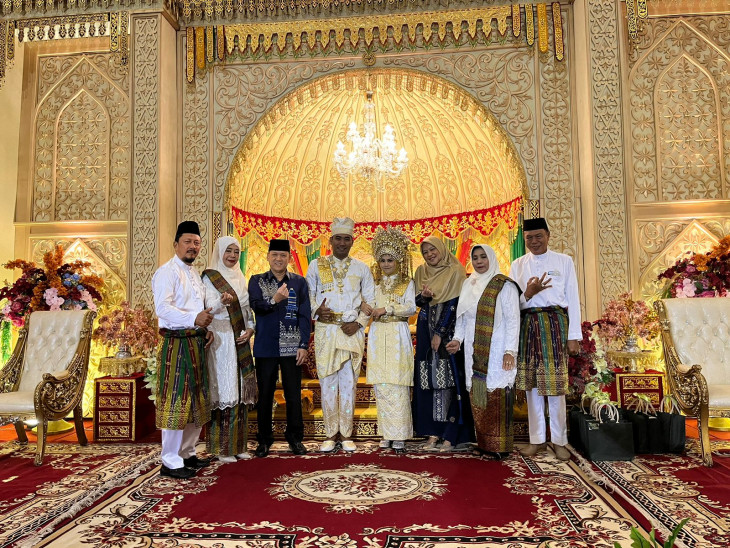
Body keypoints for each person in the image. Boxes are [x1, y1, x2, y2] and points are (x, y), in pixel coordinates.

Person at [508, 217, 581, 462]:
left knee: (556, 386)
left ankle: (560, 441)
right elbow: (512, 304)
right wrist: (528, 294)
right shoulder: (518, 265)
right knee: (533, 387)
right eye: (529, 238)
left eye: (539, 236)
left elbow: (573, 299)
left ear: (548, 236)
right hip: (528, 324)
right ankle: (537, 440)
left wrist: (573, 336)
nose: (534, 241)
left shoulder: (564, 261)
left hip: (555, 324)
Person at [306, 217, 375, 453]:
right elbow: (308, 295)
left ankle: (346, 434)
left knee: (348, 383)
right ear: (331, 240)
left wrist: (359, 323)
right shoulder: (316, 265)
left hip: (351, 332)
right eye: (338, 238)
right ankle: (329, 434)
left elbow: (371, 300)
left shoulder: (362, 268)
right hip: (326, 331)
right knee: (327, 383)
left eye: (346, 239)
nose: (342, 243)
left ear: (352, 241)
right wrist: (317, 310)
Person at [446, 244, 521, 459]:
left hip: (497, 347)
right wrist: (457, 340)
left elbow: (513, 320)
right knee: (478, 395)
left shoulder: (504, 285)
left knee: (496, 394)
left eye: (483, 257)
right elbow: (462, 318)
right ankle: (485, 443)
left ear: (491, 258)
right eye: (475, 257)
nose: (479, 261)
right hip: (473, 348)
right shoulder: (468, 284)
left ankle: (500, 446)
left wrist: (510, 351)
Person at [152, 220, 213, 479]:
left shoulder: (194, 274)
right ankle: (170, 460)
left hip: (195, 342)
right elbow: (163, 309)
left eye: (196, 243)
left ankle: (187, 453)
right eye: (187, 242)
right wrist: (193, 319)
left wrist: (204, 328)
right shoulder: (167, 272)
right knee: (176, 400)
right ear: (176, 244)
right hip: (176, 343)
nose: (192, 247)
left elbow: (198, 310)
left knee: (195, 401)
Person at [248, 239, 311, 457]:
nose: (278, 259)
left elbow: (304, 315)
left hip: (292, 347)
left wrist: (303, 344)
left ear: (289, 258)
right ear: (267, 257)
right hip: (266, 345)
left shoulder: (299, 282)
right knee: (265, 395)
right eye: (274, 254)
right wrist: (274, 300)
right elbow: (256, 306)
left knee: (293, 394)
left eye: (283, 255)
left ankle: (295, 438)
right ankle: (264, 440)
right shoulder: (256, 280)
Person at [412, 236, 473, 452]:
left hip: (448, 332)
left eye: (433, 249)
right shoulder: (421, 272)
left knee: (449, 381)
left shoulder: (455, 270)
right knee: (428, 380)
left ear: (441, 249)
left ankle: (450, 434)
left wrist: (439, 332)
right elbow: (417, 302)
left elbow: (455, 303)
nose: (430, 254)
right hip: (424, 330)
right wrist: (424, 296)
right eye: (425, 251)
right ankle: (433, 432)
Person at [202, 236, 256, 463]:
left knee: (240, 389)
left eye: (236, 252)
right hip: (221, 339)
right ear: (220, 252)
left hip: (240, 339)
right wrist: (221, 302)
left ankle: (238, 445)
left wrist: (251, 329)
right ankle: (222, 448)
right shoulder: (210, 277)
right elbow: (207, 308)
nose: (232, 256)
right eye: (228, 251)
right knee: (225, 390)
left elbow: (247, 310)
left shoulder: (241, 277)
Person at [366, 227, 416, 453]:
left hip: (397, 333)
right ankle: (386, 433)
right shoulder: (374, 284)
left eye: (390, 260)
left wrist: (388, 309)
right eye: (383, 260)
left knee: (397, 384)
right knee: (382, 385)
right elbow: (366, 305)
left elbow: (411, 308)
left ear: (398, 260)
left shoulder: (407, 282)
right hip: (377, 334)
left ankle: (400, 434)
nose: (386, 264)